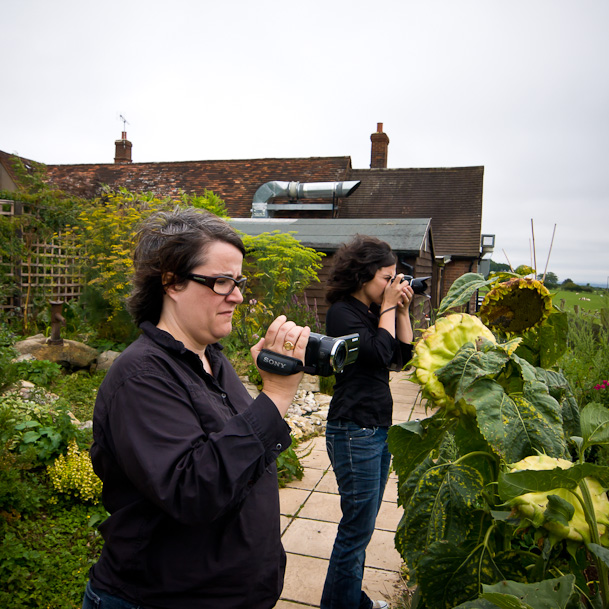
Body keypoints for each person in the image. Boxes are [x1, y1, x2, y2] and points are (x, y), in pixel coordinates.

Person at [81, 208, 310, 609]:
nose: (237, 295)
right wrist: (274, 396)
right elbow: (193, 491)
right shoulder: (141, 376)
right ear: (172, 281)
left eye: (238, 281)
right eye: (222, 282)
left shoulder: (212, 359)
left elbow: (239, 460)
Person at [320, 235, 414, 609]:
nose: (392, 285)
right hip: (353, 429)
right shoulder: (342, 312)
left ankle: (347, 599)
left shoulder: (377, 312)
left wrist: (401, 311)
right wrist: (389, 308)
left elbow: (402, 357)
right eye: (386, 277)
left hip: (376, 428)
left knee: (362, 527)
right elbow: (376, 354)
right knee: (355, 531)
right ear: (364, 275)